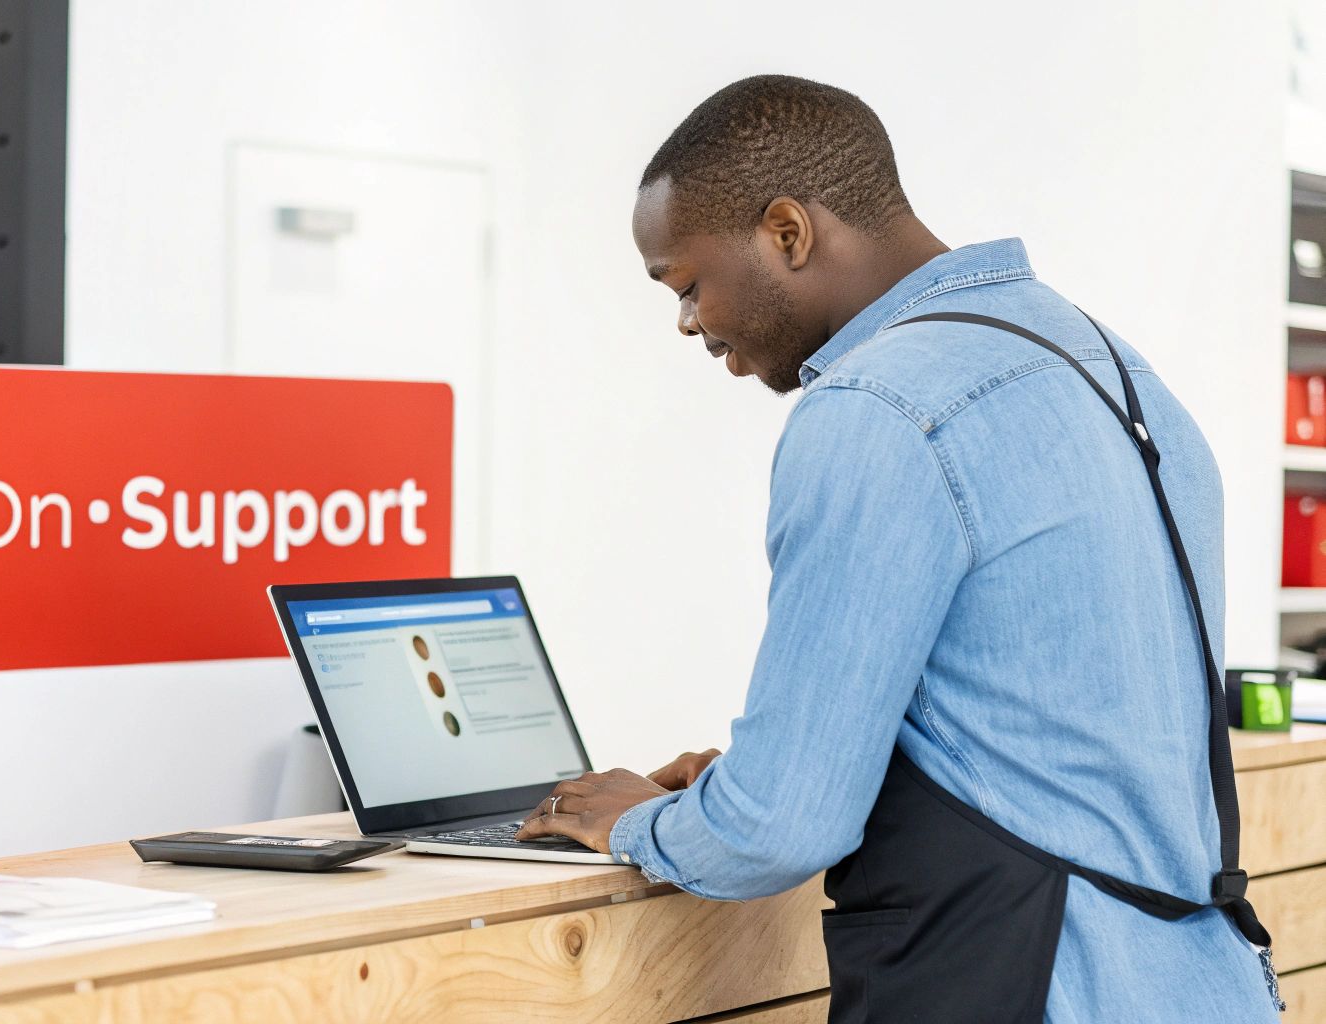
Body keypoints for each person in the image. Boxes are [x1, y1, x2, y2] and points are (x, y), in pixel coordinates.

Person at [514, 76, 1280, 1022]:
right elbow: (1058, 737)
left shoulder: (877, 407)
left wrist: (641, 821)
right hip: (1203, 986)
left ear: (787, 232)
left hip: (1029, 988)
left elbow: (780, 830)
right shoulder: (1109, 366)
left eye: (687, 285)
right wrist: (765, 776)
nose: (688, 322)